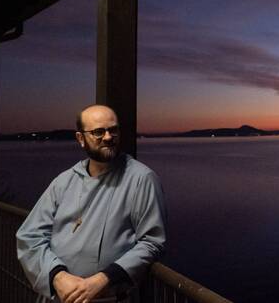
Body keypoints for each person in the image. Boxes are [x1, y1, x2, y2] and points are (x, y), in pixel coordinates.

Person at [16, 105, 166, 303]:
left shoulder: (141, 179)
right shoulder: (64, 181)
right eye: (98, 132)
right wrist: (58, 277)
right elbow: (30, 236)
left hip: (107, 297)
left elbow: (152, 242)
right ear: (80, 138)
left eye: (113, 130)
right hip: (59, 296)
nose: (107, 137)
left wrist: (102, 279)